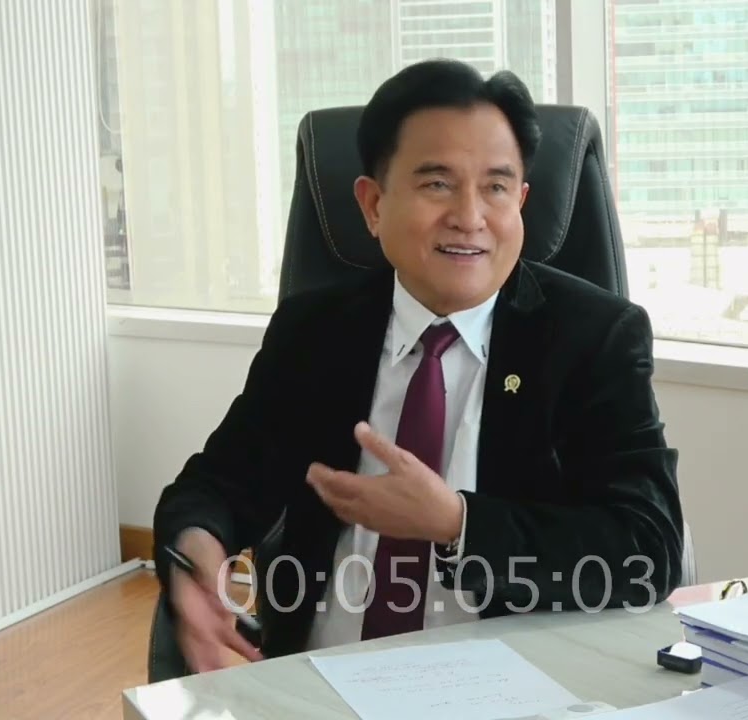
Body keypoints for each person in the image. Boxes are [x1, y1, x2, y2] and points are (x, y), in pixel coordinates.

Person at [152, 58, 685, 673]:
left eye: (496, 187)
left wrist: (458, 524)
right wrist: (196, 552)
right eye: (437, 184)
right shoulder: (316, 333)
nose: (470, 216)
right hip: (320, 679)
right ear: (373, 204)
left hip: (510, 686)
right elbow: (217, 484)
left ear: (521, 202)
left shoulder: (594, 338)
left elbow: (649, 547)